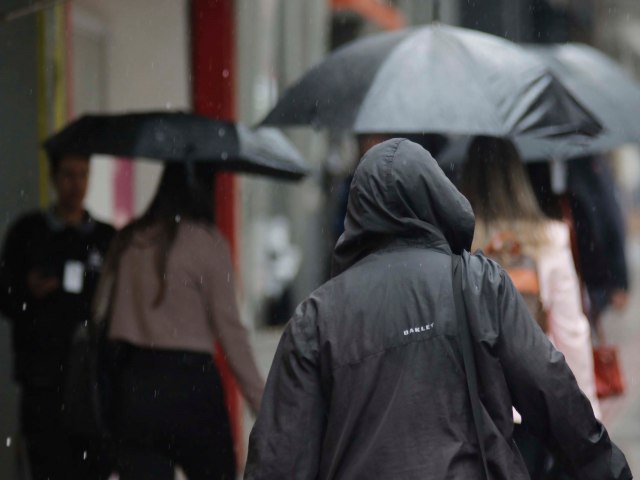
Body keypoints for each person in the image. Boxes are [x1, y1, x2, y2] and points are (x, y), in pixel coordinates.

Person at [244, 139, 631, 479]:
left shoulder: (317, 318)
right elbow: (552, 394)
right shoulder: (478, 285)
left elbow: (280, 456)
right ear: (437, 199)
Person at [102, 163, 264, 480]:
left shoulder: (129, 240)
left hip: (135, 386)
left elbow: (103, 315)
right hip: (192, 387)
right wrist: (264, 403)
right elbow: (231, 332)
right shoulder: (207, 242)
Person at [462, 137, 603, 478]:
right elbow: (571, 334)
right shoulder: (549, 239)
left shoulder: (458, 245)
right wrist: (588, 418)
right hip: (529, 410)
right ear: (518, 176)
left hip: (470, 411)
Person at [0, 153, 116, 480]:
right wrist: (27, 290)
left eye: (82, 174)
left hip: (92, 377)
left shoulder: (105, 238)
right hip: (43, 377)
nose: (76, 184)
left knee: (94, 466)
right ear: (53, 177)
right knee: (48, 465)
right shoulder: (29, 233)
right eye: (68, 175)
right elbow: (5, 296)